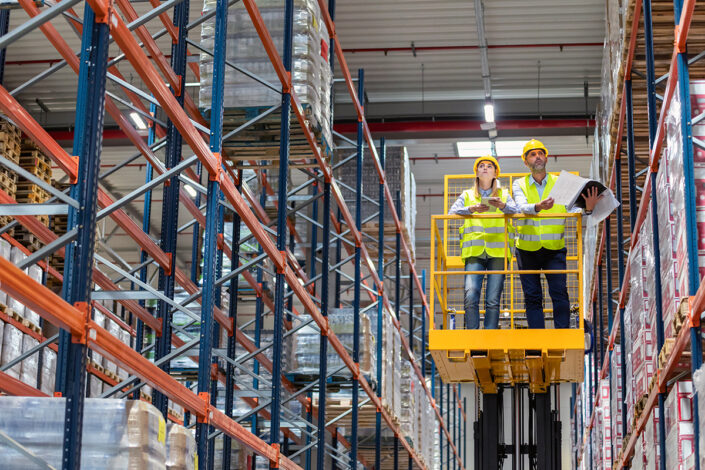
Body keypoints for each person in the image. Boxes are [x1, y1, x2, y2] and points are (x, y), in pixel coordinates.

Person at [512, 139, 599, 329]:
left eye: (540, 153)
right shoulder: (519, 184)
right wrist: (538, 206)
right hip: (527, 250)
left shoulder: (560, 182)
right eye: (532, 154)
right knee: (532, 296)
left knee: (559, 292)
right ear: (525, 161)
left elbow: (573, 209)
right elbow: (520, 206)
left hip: (554, 249)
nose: (538, 157)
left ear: (546, 157)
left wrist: (588, 209)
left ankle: (561, 334)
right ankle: (538, 338)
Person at [448, 155, 518, 329]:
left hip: (498, 253)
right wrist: (471, 209)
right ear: (477, 172)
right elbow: (452, 212)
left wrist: (502, 206)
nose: (485, 168)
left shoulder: (504, 194)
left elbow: (515, 211)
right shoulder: (468, 195)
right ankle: (473, 335)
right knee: (471, 295)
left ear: (495, 173)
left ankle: (490, 335)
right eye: (481, 166)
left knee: (493, 299)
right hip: (475, 252)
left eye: (489, 166)